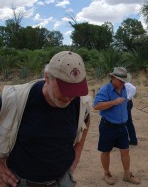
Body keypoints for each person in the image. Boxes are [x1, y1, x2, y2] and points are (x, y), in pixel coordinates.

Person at [0, 51, 91, 187]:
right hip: (21, 183)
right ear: (47, 77)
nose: (69, 97)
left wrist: (75, 160)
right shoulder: (15, 98)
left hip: (62, 181)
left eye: (74, 90)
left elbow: (86, 122)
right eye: (64, 89)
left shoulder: (81, 102)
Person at [93, 67, 140, 185]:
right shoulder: (105, 90)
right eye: (120, 80)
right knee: (106, 151)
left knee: (125, 151)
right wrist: (113, 102)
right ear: (113, 78)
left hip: (122, 126)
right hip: (108, 126)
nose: (123, 83)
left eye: (124, 80)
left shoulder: (125, 88)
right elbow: (96, 106)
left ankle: (127, 174)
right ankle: (107, 173)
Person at [125, 81, 138, 145]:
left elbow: (134, 88)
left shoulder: (126, 84)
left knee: (128, 122)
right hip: (125, 103)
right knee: (127, 122)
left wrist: (127, 98)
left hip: (127, 103)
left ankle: (133, 140)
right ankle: (132, 140)